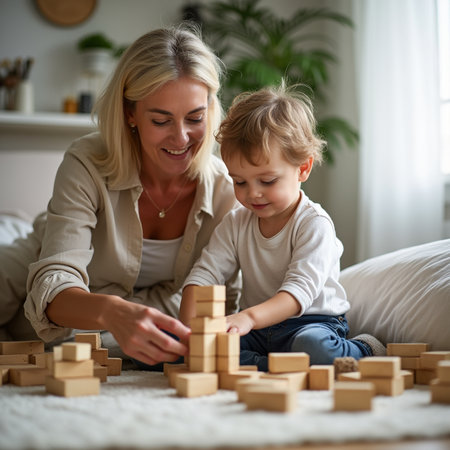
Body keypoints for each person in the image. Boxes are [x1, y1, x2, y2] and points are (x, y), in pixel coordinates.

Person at [0, 25, 241, 367]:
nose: (181, 137)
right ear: (130, 113)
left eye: (195, 118)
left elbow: (227, 301)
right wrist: (112, 312)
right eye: (161, 120)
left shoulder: (225, 189)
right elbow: (55, 279)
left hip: (92, 327)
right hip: (31, 271)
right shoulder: (87, 161)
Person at [179, 83, 386, 371]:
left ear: (303, 168)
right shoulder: (236, 222)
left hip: (311, 323)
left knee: (313, 347)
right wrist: (192, 332)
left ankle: (363, 348)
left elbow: (297, 292)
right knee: (177, 344)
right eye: (240, 181)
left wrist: (248, 318)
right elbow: (205, 274)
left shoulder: (314, 224)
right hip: (258, 331)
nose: (252, 194)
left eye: (267, 181)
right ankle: (278, 365)